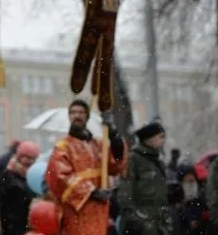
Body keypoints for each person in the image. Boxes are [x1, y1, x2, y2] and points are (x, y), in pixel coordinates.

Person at [45, 99, 127, 235]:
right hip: (77, 211)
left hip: (100, 211)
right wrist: (92, 191)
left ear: (87, 116)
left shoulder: (98, 145)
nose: (77, 115)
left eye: (81, 112)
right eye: (73, 112)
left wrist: (114, 136)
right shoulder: (63, 147)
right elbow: (60, 178)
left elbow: (115, 166)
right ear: (69, 116)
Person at [117, 121, 173, 234]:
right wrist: (133, 219)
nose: (164, 140)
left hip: (159, 223)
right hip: (142, 222)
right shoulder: (133, 159)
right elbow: (125, 192)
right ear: (150, 139)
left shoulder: (157, 161)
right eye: (161, 137)